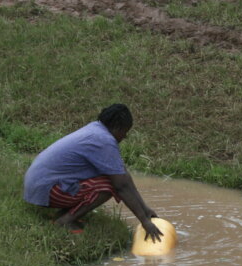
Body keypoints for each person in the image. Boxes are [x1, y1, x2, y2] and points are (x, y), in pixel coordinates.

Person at [23, 104, 163, 243]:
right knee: (110, 185)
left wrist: (145, 209)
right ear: (118, 127)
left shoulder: (95, 130)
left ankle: (65, 213)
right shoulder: (104, 141)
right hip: (47, 190)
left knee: (114, 177)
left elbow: (123, 176)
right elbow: (121, 186)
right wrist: (145, 221)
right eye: (125, 132)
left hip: (38, 186)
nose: (124, 136)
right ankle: (65, 220)